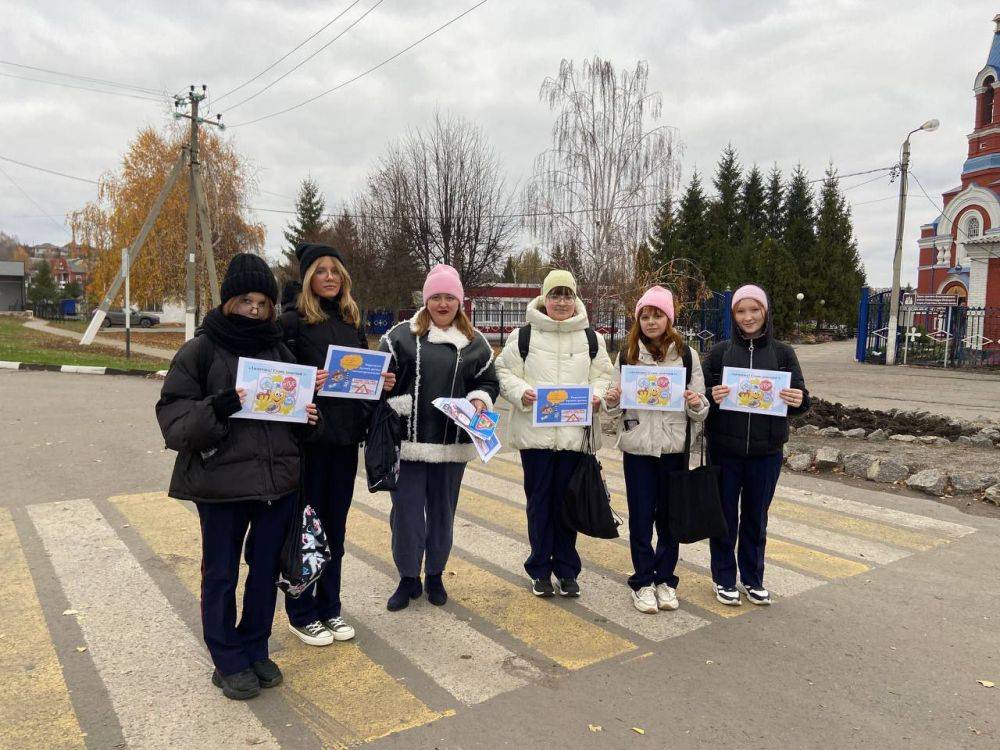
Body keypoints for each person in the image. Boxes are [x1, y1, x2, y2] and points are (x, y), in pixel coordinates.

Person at [156, 253, 320, 700]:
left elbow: (295, 420)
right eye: (245, 299)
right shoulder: (201, 350)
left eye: (263, 302)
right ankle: (226, 659)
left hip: (275, 485)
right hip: (221, 486)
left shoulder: (279, 351)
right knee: (222, 573)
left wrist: (307, 417)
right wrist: (219, 406)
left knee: (265, 571)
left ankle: (255, 647)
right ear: (229, 300)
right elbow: (173, 421)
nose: (254, 309)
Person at [280, 243, 395, 646]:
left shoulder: (351, 323)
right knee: (307, 529)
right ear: (308, 277)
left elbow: (359, 387)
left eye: (335, 270)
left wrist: (379, 386)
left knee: (336, 529)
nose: (329, 276)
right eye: (321, 270)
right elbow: (281, 383)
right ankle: (300, 611)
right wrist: (308, 380)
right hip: (309, 443)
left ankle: (330, 608)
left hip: (345, 442)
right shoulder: (292, 323)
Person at [378, 264, 499, 611]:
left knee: (443, 513)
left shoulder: (475, 344)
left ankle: (434, 575)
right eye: (436, 297)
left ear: (459, 302)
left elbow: (489, 382)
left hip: (453, 443)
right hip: (410, 442)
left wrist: (480, 398)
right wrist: (387, 388)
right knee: (406, 513)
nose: (443, 304)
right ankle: (407, 578)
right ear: (426, 299)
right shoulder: (399, 337)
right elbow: (378, 377)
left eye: (449, 297)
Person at [495, 269, 613, 598]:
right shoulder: (523, 336)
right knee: (539, 503)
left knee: (567, 504)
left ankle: (566, 570)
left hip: (574, 437)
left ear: (575, 299)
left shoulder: (592, 339)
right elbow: (503, 372)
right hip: (535, 437)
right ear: (544, 298)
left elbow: (604, 375)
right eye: (555, 295)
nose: (561, 301)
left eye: (567, 295)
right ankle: (539, 569)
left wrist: (597, 396)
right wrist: (521, 392)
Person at [702, 284, 810, 606]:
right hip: (724, 450)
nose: (748, 317)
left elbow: (802, 399)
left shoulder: (783, 353)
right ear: (733, 315)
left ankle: (752, 578)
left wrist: (798, 399)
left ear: (765, 312)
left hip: (766, 453)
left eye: (754, 310)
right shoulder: (720, 353)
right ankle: (723, 578)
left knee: (756, 517)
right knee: (724, 517)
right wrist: (711, 396)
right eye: (741, 311)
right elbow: (698, 399)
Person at [604, 286, 709, 614]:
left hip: (674, 448)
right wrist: (612, 400)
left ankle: (665, 579)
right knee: (640, 516)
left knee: (669, 517)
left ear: (669, 318)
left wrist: (695, 402)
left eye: (657, 315)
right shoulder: (627, 355)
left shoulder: (687, 356)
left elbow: (702, 408)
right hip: (638, 448)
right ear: (638, 320)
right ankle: (642, 581)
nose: (651, 321)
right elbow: (613, 403)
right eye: (645, 316)